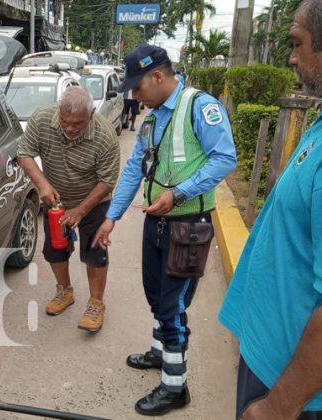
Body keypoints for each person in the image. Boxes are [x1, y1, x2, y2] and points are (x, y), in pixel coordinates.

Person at [92, 44, 236, 415]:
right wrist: (112, 216)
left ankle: (176, 386)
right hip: (157, 223)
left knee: (172, 306)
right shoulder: (153, 117)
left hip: (188, 226)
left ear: (158, 76)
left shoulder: (199, 107)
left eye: (137, 88)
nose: (134, 96)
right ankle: (161, 353)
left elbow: (225, 158)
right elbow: (133, 169)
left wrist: (180, 192)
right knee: (156, 294)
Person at [219, 1, 322, 418]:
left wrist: (279, 406)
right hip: (274, 363)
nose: (291, 58)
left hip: (294, 394)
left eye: (298, 44)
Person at [17, 86, 120, 332]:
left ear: (92, 113)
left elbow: (107, 180)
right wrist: (42, 184)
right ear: (58, 111)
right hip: (56, 202)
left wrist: (82, 210)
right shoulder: (42, 119)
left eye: (78, 123)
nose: (70, 128)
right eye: (65, 121)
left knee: (95, 251)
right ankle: (64, 291)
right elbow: (24, 153)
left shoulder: (105, 136)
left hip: (94, 202)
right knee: (55, 250)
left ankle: (96, 303)